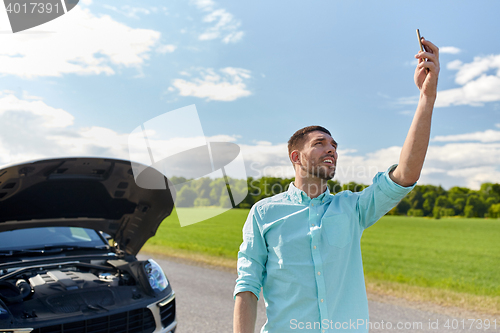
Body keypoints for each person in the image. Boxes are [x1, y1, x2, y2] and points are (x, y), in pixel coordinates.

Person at [233, 37, 440, 333]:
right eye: (320, 143)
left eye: (334, 145)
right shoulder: (263, 213)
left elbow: (406, 174)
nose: (331, 149)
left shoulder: (353, 208)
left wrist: (426, 97)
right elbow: (248, 286)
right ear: (296, 156)